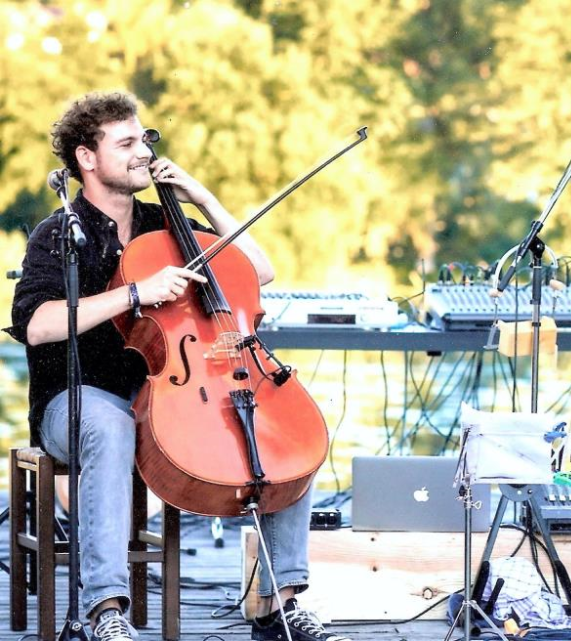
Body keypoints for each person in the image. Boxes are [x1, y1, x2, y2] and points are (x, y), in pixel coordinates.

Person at [5, 91, 348, 641]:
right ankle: (105, 610)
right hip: (81, 400)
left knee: (280, 424)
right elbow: (37, 323)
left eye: (144, 139)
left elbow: (259, 272)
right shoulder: (59, 233)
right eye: (126, 143)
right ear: (86, 159)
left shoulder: (165, 224)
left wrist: (201, 196)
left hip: (173, 395)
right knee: (108, 425)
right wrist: (135, 293)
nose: (142, 151)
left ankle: (278, 604)